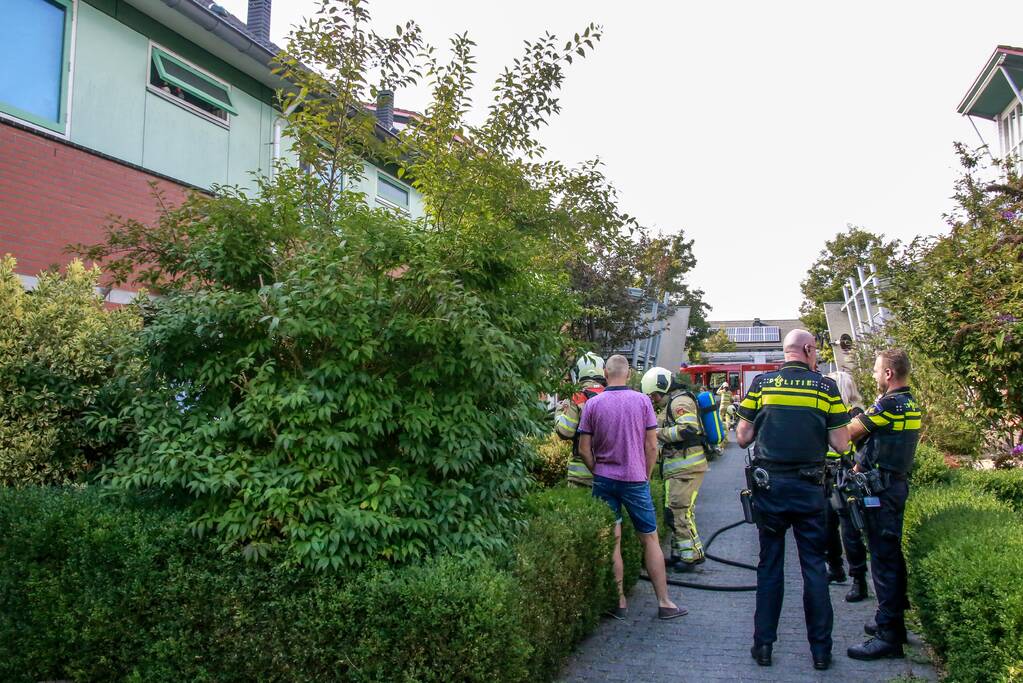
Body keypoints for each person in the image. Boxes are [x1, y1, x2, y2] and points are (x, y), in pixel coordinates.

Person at [736, 329, 850, 671]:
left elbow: (742, 437)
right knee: (813, 566)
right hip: (809, 489)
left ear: (786, 352)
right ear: (809, 349)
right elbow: (841, 443)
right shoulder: (826, 388)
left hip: (770, 488)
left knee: (770, 565)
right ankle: (821, 652)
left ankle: (764, 646)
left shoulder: (762, 385)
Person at [577, 355, 687, 621]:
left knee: (612, 541)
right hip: (635, 480)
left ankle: (619, 602)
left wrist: (598, 471)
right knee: (649, 539)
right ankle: (664, 603)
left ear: (605, 374)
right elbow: (651, 445)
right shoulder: (642, 401)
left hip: (605, 480)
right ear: (628, 374)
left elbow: (583, 449)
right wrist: (645, 475)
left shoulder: (593, 404)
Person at [846, 350, 922, 661]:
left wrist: (850, 419)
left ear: (889, 374)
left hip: (882, 490)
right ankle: (892, 621)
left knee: (882, 559)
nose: (875, 375)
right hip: (895, 486)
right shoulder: (910, 402)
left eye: (877, 370)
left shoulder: (887, 405)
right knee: (891, 554)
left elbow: (850, 432)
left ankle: (888, 637)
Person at [641, 367, 707, 572]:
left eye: (655, 395)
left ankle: (690, 557)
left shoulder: (679, 402)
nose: (654, 399)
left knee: (679, 512)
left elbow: (688, 429)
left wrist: (657, 433)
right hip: (679, 468)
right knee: (674, 511)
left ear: (663, 388)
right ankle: (680, 554)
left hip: (686, 468)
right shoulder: (673, 402)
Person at [824, 370, 870, 602]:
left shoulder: (855, 414)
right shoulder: (830, 412)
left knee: (850, 531)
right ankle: (835, 567)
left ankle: (859, 579)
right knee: (827, 525)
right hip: (827, 474)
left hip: (846, 476)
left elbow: (862, 448)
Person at [554, 353, 606, 487]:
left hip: (580, 476)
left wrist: (559, 412)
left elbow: (565, 431)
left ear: (579, 372)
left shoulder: (578, 396)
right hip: (608, 473)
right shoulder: (610, 395)